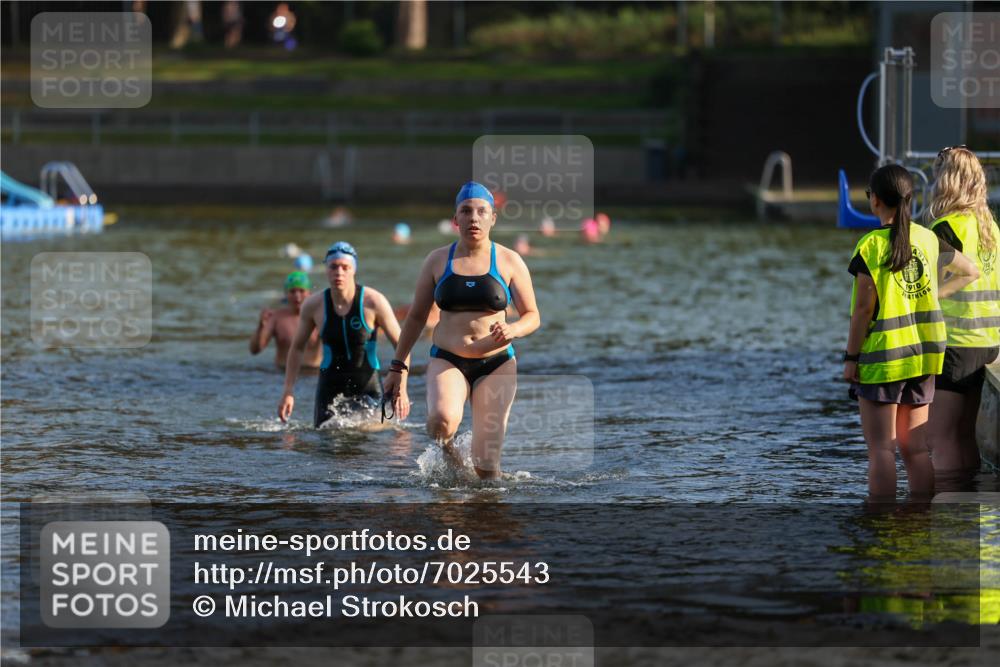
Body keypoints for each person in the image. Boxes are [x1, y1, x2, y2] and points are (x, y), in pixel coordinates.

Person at [383, 182, 541, 480]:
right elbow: (416, 317)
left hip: (497, 364)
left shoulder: (509, 260)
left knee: (486, 470)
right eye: (466, 211)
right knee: (441, 422)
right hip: (448, 358)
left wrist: (514, 329)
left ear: (493, 217)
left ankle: (480, 502)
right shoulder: (437, 260)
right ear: (456, 219)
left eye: (482, 211)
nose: (473, 218)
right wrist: (398, 366)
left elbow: (533, 315)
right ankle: (454, 462)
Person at [843, 164, 979, 500]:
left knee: (881, 450)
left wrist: (850, 359)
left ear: (875, 201)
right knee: (916, 449)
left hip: (883, 358)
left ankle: (883, 522)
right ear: (909, 199)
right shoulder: (928, 238)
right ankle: (921, 517)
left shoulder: (871, 246)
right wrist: (936, 294)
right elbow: (968, 271)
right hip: (924, 357)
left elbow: (862, 310)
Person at [925, 146, 1000, 479]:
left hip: (955, 343)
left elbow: (933, 283)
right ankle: (972, 514)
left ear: (948, 181)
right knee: (966, 436)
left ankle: (947, 515)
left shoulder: (945, 228)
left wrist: (928, 301)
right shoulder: (991, 230)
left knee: (940, 439)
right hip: (989, 343)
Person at [278, 242, 410, 427]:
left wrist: (401, 388)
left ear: (353, 270)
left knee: (374, 443)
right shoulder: (314, 305)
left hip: (368, 388)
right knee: (326, 444)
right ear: (326, 270)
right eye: (333, 266)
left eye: (345, 267)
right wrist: (288, 391)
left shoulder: (373, 301)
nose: (339, 272)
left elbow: (402, 344)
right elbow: (297, 348)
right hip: (329, 389)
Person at [250, 271, 322, 370]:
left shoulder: (319, 316)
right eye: (292, 291)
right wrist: (261, 326)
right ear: (286, 294)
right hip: (282, 373)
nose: (297, 296)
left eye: (301, 291)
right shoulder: (276, 317)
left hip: (312, 374)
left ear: (309, 293)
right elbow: (255, 350)